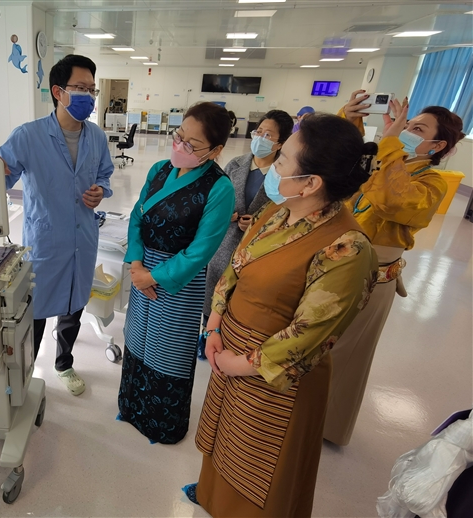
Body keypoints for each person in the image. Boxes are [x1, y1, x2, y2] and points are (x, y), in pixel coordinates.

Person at [186, 113, 378, 517]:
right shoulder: (278, 210)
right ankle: (210, 495)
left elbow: (309, 335)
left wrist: (239, 364)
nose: (273, 165)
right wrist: (214, 326)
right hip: (228, 351)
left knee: (255, 461)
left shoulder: (347, 248)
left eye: (283, 159)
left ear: (311, 183)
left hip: (271, 373)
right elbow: (235, 267)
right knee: (223, 435)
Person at [323, 90, 466, 446]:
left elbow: (392, 200)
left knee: (344, 355)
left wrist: (389, 145)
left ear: (437, 146)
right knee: (316, 345)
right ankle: (300, 413)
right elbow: (343, 164)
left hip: (372, 278)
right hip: (335, 265)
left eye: (417, 129)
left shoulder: (429, 183)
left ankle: (326, 426)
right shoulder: (385, 162)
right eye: (407, 124)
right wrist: (350, 120)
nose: (405, 131)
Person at [0, 54, 114, 396]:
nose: (88, 96)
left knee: (74, 306)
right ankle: (25, 373)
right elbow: (3, 176)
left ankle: (64, 363)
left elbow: (104, 174)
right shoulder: (29, 135)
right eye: (81, 88)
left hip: (83, 239)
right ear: (58, 91)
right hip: (46, 239)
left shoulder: (97, 137)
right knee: (35, 310)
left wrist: (100, 190)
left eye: (92, 90)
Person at [118, 102, 235, 444]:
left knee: (167, 350)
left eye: (192, 144)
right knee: (137, 338)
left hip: (178, 281)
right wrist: (136, 265)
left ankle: (161, 425)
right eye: (179, 136)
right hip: (142, 271)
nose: (180, 146)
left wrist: (154, 277)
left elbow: (201, 250)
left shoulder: (219, 188)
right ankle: (131, 408)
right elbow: (137, 217)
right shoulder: (159, 169)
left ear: (215, 150)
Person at [202, 109, 294, 323]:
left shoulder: (283, 174)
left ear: (280, 143)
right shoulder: (235, 165)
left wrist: (260, 223)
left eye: (268, 135)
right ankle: (208, 330)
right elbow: (213, 199)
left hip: (257, 251)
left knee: (241, 305)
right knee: (212, 300)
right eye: (258, 131)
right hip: (223, 246)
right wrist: (225, 215)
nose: (260, 137)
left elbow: (288, 211)